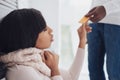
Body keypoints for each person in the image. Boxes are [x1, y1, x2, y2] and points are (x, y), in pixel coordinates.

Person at [0, 8, 90, 80]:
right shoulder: (21, 71)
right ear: (29, 36)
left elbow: (71, 77)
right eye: (44, 29)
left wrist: (82, 41)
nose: (51, 30)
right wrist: (55, 71)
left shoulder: (36, 60)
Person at [85, 0, 120, 80]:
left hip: (116, 22)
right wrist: (88, 21)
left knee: (114, 72)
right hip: (95, 21)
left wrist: (106, 8)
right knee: (93, 70)